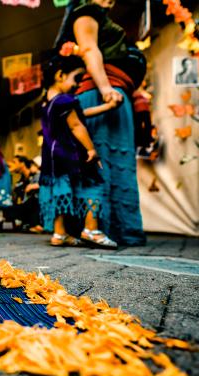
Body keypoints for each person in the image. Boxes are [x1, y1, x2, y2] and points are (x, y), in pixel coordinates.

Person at [54, 0, 147, 246]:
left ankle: (118, 229)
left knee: (119, 162)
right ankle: (94, 228)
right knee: (99, 162)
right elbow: (89, 49)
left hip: (115, 92)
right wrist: (105, 88)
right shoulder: (87, 13)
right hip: (101, 90)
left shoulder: (101, 17)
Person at [39, 55, 117, 248]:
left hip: (52, 158)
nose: (78, 85)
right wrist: (91, 149)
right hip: (70, 154)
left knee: (60, 192)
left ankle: (59, 234)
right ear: (60, 75)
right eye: (77, 79)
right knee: (93, 185)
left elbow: (81, 114)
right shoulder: (65, 100)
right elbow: (76, 125)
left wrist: (107, 107)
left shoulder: (47, 102)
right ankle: (91, 229)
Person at [7, 155, 42, 233]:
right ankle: (27, 224)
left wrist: (33, 186)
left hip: (36, 201)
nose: (31, 166)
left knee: (32, 203)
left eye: (14, 162)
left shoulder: (38, 175)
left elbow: (44, 184)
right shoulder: (26, 178)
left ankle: (36, 225)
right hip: (28, 201)